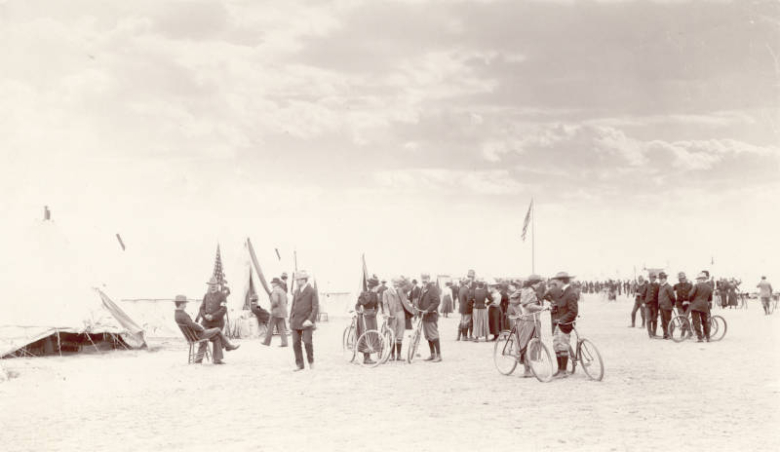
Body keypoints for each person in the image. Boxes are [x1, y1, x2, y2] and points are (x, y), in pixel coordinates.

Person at [174, 295, 239, 364]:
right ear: (181, 304)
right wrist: (201, 328)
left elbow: (191, 324)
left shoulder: (177, 314)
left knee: (216, 337)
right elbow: (192, 325)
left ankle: (205, 360)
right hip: (197, 335)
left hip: (192, 336)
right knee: (217, 329)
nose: (185, 305)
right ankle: (228, 346)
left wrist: (198, 326)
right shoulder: (183, 314)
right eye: (185, 304)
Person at [515, 275, 546, 378]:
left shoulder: (525, 289)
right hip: (529, 321)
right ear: (534, 283)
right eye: (538, 284)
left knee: (528, 344)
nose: (539, 286)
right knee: (528, 345)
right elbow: (527, 305)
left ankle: (528, 369)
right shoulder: (530, 291)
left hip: (529, 320)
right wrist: (542, 307)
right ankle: (526, 370)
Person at [548, 272, 578, 378]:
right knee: (556, 345)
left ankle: (563, 371)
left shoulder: (571, 293)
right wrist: (554, 307)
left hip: (565, 324)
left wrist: (561, 320)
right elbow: (561, 306)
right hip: (559, 323)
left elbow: (573, 312)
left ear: (561, 281)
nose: (555, 282)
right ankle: (560, 369)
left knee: (563, 346)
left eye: (556, 280)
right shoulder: (563, 292)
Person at [289, 270, 318, 371]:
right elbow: (293, 306)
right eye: (297, 280)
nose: (297, 281)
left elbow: (315, 307)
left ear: (305, 280)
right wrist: (290, 319)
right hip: (296, 322)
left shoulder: (311, 291)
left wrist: (310, 320)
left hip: (306, 322)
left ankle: (311, 362)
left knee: (307, 342)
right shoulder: (296, 291)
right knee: (295, 343)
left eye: (300, 279)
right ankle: (299, 364)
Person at [382, 277, 411, 361]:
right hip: (392, 315)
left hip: (401, 313)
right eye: (394, 282)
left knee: (400, 334)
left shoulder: (402, 291)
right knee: (392, 334)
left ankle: (399, 355)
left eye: (397, 283)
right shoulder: (386, 292)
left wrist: (403, 279)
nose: (396, 284)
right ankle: (392, 355)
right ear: (391, 282)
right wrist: (387, 314)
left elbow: (410, 286)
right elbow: (385, 304)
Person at [356, 275, 381, 365]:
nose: (378, 287)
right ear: (374, 286)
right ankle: (366, 358)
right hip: (365, 317)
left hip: (372, 318)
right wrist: (360, 311)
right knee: (365, 334)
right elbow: (357, 305)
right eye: (377, 286)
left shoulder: (376, 295)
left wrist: (375, 312)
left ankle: (370, 355)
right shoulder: (364, 294)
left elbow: (377, 306)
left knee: (372, 335)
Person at [418, 273, 442, 362]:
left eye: (426, 278)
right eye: (422, 278)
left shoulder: (433, 288)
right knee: (428, 336)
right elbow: (420, 300)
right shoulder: (422, 288)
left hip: (431, 315)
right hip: (424, 316)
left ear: (429, 278)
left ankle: (439, 355)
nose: (424, 280)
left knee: (433, 335)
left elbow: (437, 301)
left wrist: (428, 310)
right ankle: (432, 354)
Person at [263, 278, 289, 347]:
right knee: (282, 328)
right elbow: (286, 300)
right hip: (282, 311)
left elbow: (275, 301)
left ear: (276, 284)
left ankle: (266, 342)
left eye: (272, 283)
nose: (271, 284)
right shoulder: (283, 291)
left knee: (270, 326)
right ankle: (284, 343)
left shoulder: (275, 291)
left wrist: (271, 307)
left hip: (276, 312)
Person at [688, 272, 713, 342]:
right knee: (705, 322)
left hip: (695, 306)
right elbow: (710, 299)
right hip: (704, 307)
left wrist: (690, 300)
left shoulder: (696, 286)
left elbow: (690, 295)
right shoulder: (709, 288)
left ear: (700, 279)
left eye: (698, 279)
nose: (697, 280)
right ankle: (708, 337)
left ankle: (700, 338)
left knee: (696, 322)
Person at [657, 272, 676, 340]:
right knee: (663, 321)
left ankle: (670, 335)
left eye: (662, 278)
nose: (661, 280)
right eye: (660, 278)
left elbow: (672, 297)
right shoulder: (661, 286)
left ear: (665, 279)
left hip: (667, 307)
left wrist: (672, 304)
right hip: (661, 306)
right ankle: (665, 334)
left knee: (668, 321)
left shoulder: (669, 287)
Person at [644, 273, 660, 338]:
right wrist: (643, 302)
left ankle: (654, 333)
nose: (652, 279)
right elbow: (643, 295)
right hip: (647, 305)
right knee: (648, 320)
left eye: (653, 278)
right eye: (650, 278)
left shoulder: (658, 286)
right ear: (649, 278)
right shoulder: (647, 286)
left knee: (655, 319)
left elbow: (660, 295)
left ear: (655, 278)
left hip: (655, 305)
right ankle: (650, 334)